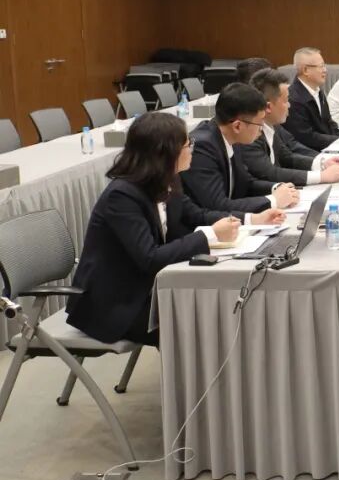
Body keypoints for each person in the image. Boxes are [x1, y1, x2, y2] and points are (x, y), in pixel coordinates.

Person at [67, 113, 285, 346]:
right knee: (206, 325)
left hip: (152, 289)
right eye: (187, 145)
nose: (192, 150)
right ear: (165, 153)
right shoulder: (122, 196)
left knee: (223, 310)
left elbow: (197, 215)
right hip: (116, 303)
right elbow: (150, 258)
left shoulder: (167, 180)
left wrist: (252, 219)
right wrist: (210, 234)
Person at [182, 82, 300, 214]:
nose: (261, 129)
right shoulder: (202, 147)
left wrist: (276, 187)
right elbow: (217, 205)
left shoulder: (232, 137)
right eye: (260, 123)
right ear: (237, 126)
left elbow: (245, 183)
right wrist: (273, 200)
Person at [238, 68, 339, 187]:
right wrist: (321, 176)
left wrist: (322, 163)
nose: (289, 105)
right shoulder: (249, 133)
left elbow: (287, 157)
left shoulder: (272, 125)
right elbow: (270, 173)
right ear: (268, 107)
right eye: (286, 101)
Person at [283, 46, 339, 151]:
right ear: (306, 70)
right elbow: (306, 137)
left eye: (324, 66)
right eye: (321, 66)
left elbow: (328, 122)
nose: (325, 70)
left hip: (328, 147)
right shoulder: (294, 99)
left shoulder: (318, 91)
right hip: (311, 153)